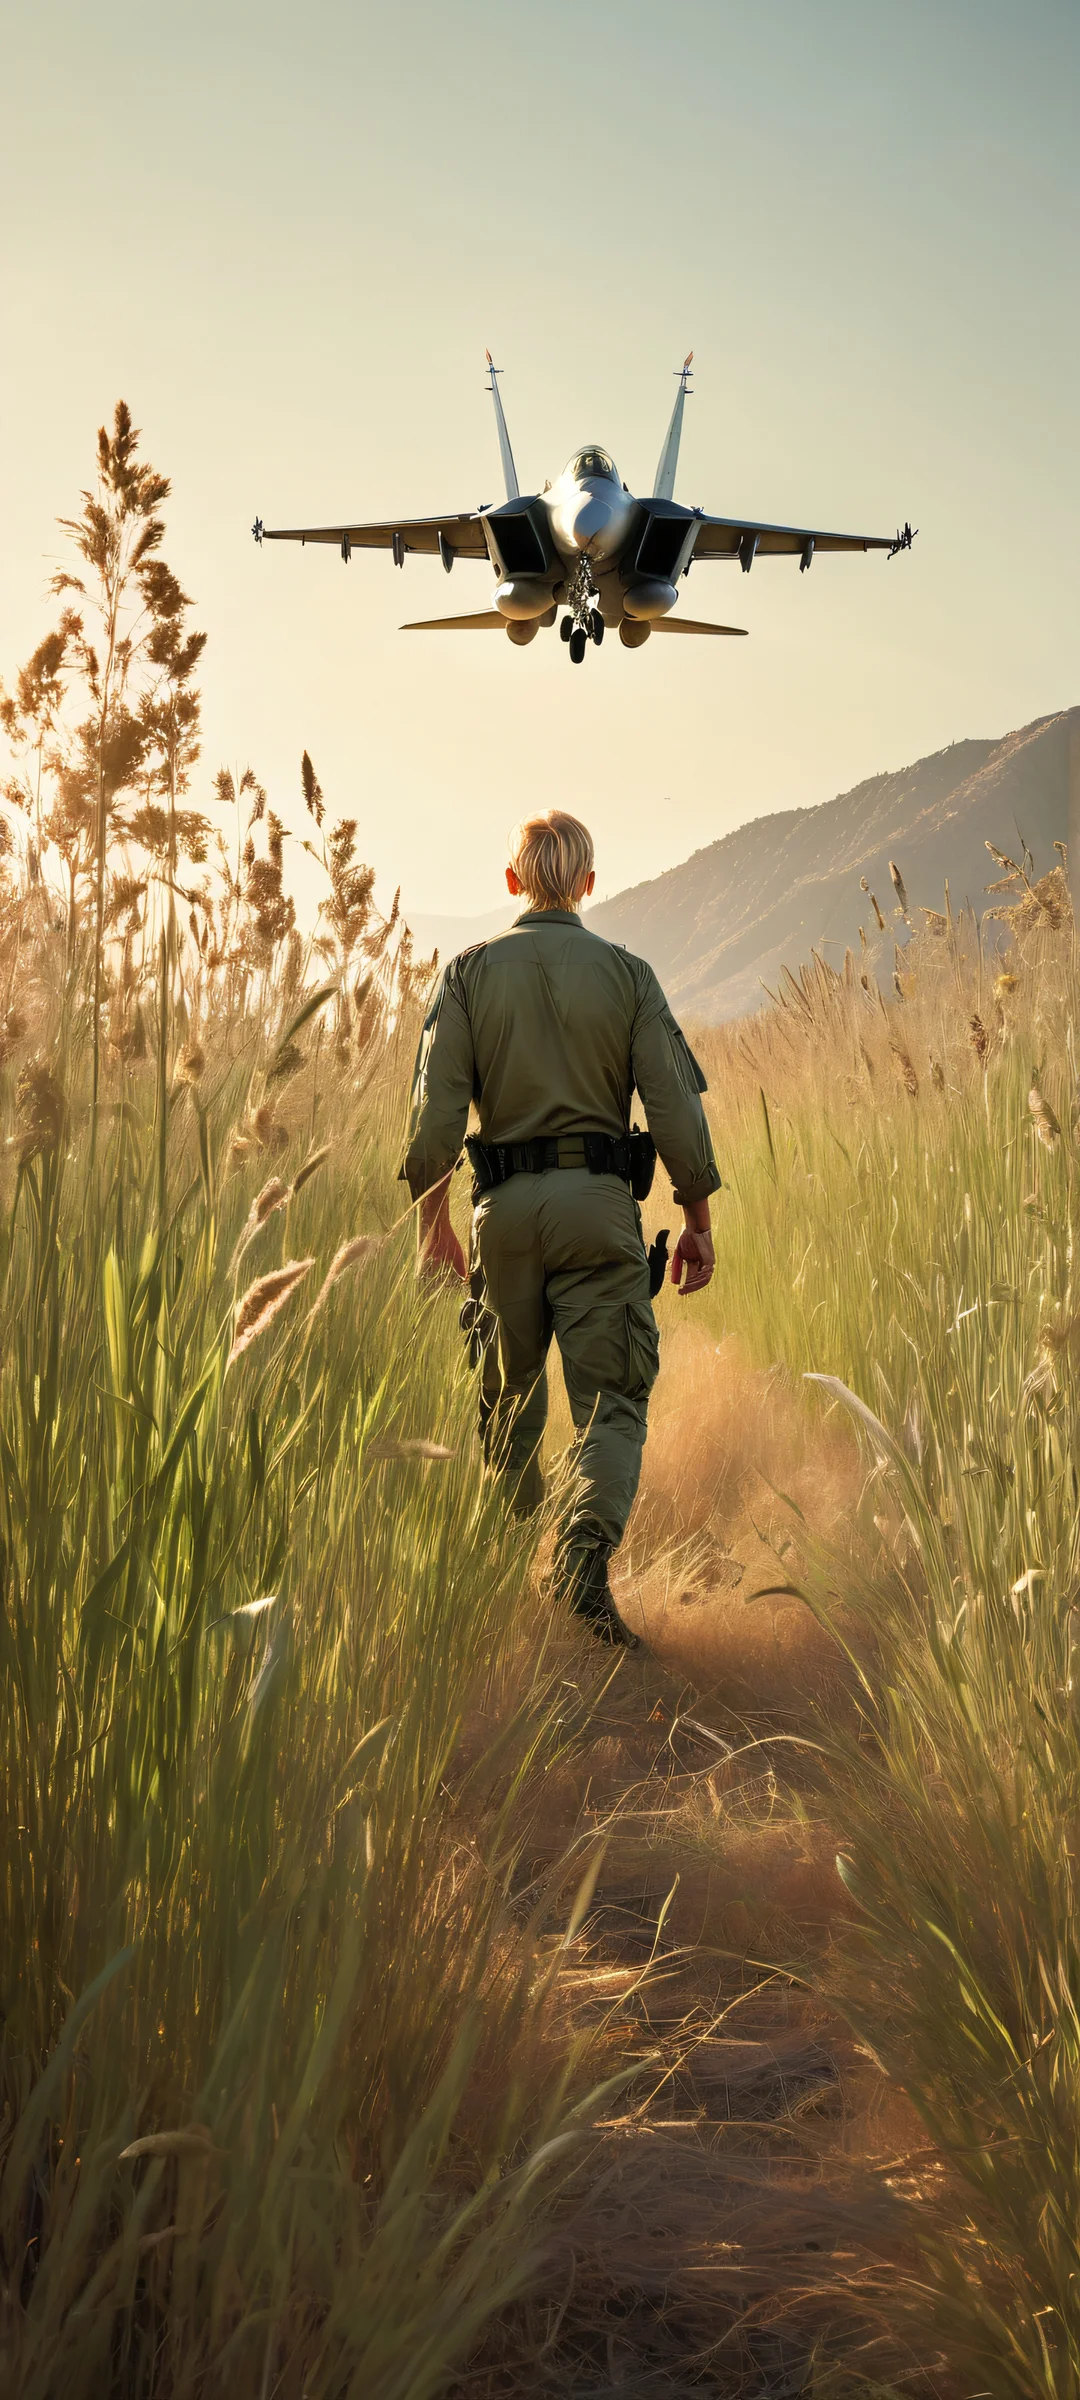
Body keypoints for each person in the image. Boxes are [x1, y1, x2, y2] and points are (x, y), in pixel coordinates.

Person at [401, 809, 720, 1646]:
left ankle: (500, 1603)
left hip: (499, 1215)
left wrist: (433, 1220)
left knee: (506, 1404)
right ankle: (582, 1564)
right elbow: (677, 1112)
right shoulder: (628, 975)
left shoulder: (467, 974)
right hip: (598, 1212)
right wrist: (696, 1220)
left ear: (512, 882)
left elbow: (436, 1115)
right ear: (587, 882)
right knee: (613, 1403)